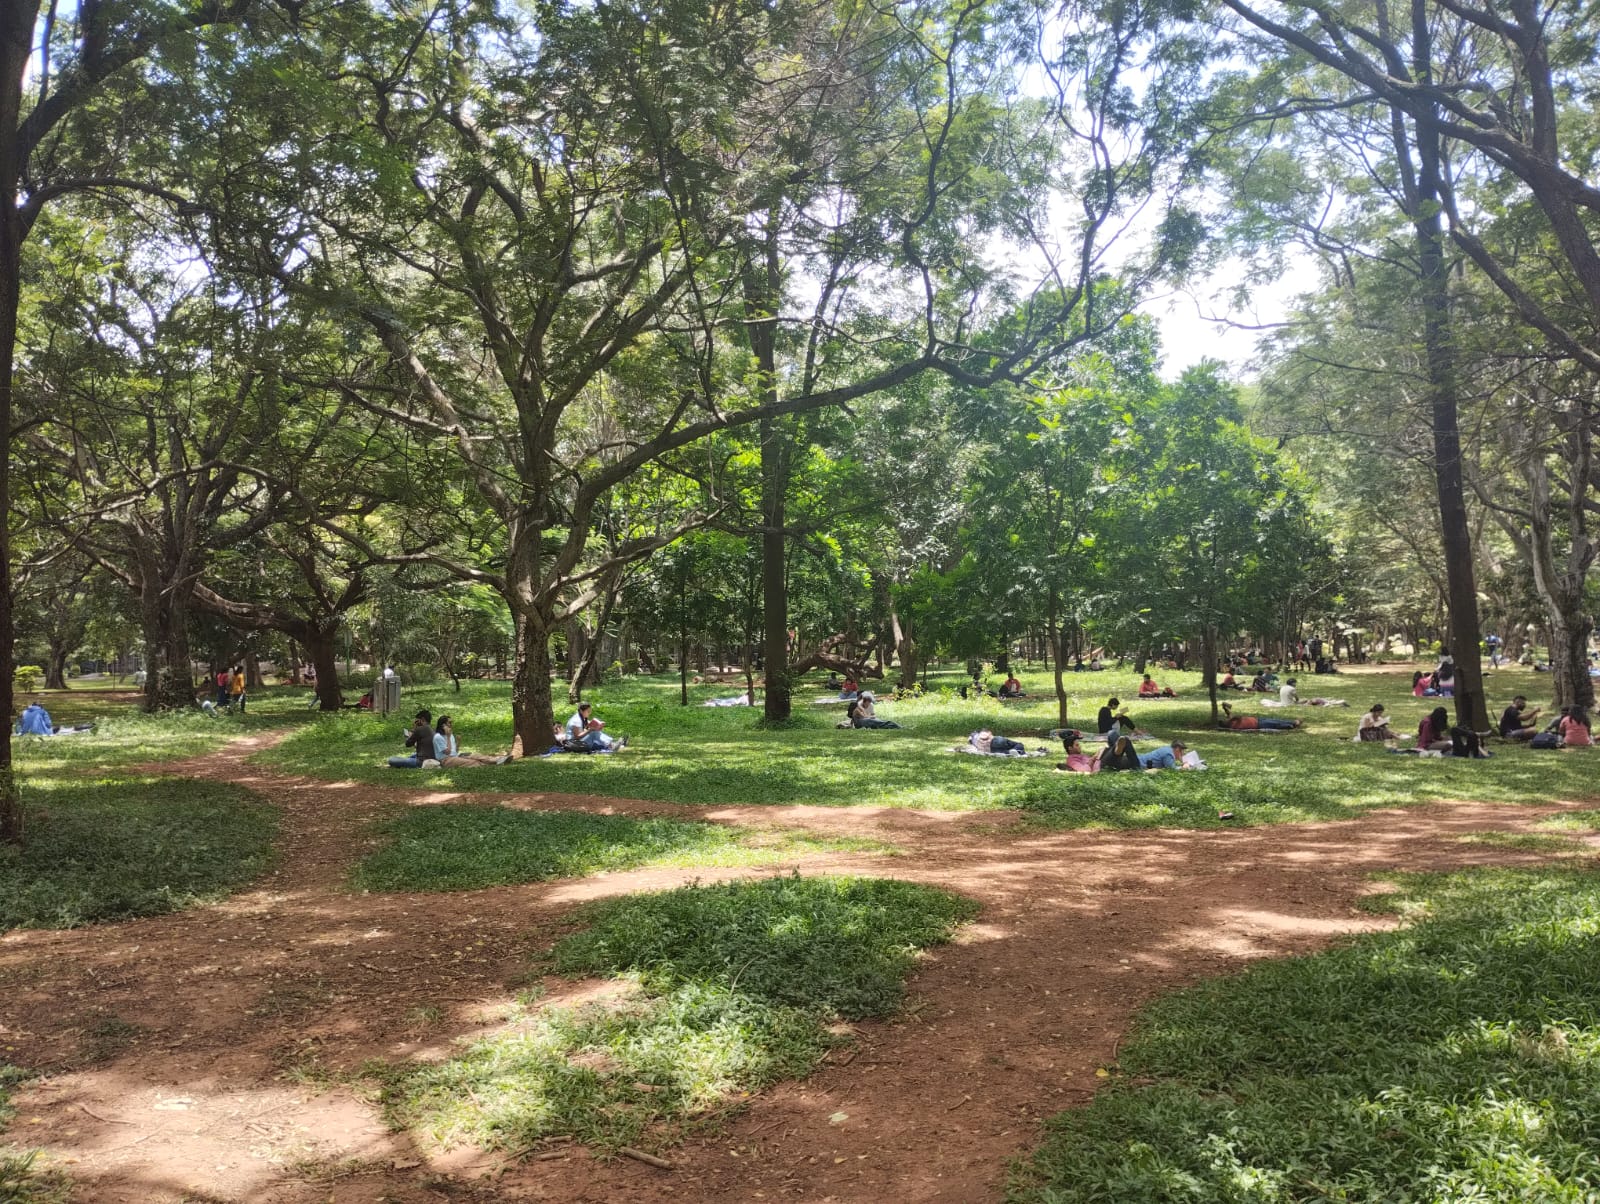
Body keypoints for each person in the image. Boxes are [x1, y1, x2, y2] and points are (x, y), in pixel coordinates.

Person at [433, 715, 511, 766]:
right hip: (446, 760)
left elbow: (454, 751)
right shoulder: (438, 737)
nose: (451, 724)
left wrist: (458, 742)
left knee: (477, 756)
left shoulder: (450, 734)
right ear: (443, 725)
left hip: (455, 756)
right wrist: (448, 737)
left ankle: (498, 760)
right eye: (449, 723)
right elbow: (448, 752)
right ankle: (491, 763)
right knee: (473, 762)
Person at [1218, 702, 1300, 730]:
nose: (1226, 720)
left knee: (1275, 720)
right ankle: (1291, 725)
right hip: (1258, 725)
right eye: (1224, 721)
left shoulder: (1231, 721)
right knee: (1275, 724)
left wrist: (1224, 707)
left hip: (1257, 720)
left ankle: (1293, 722)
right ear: (1225, 725)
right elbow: (1238, 717)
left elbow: (1229, 714)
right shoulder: (1233, 725)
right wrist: (1231, 718)